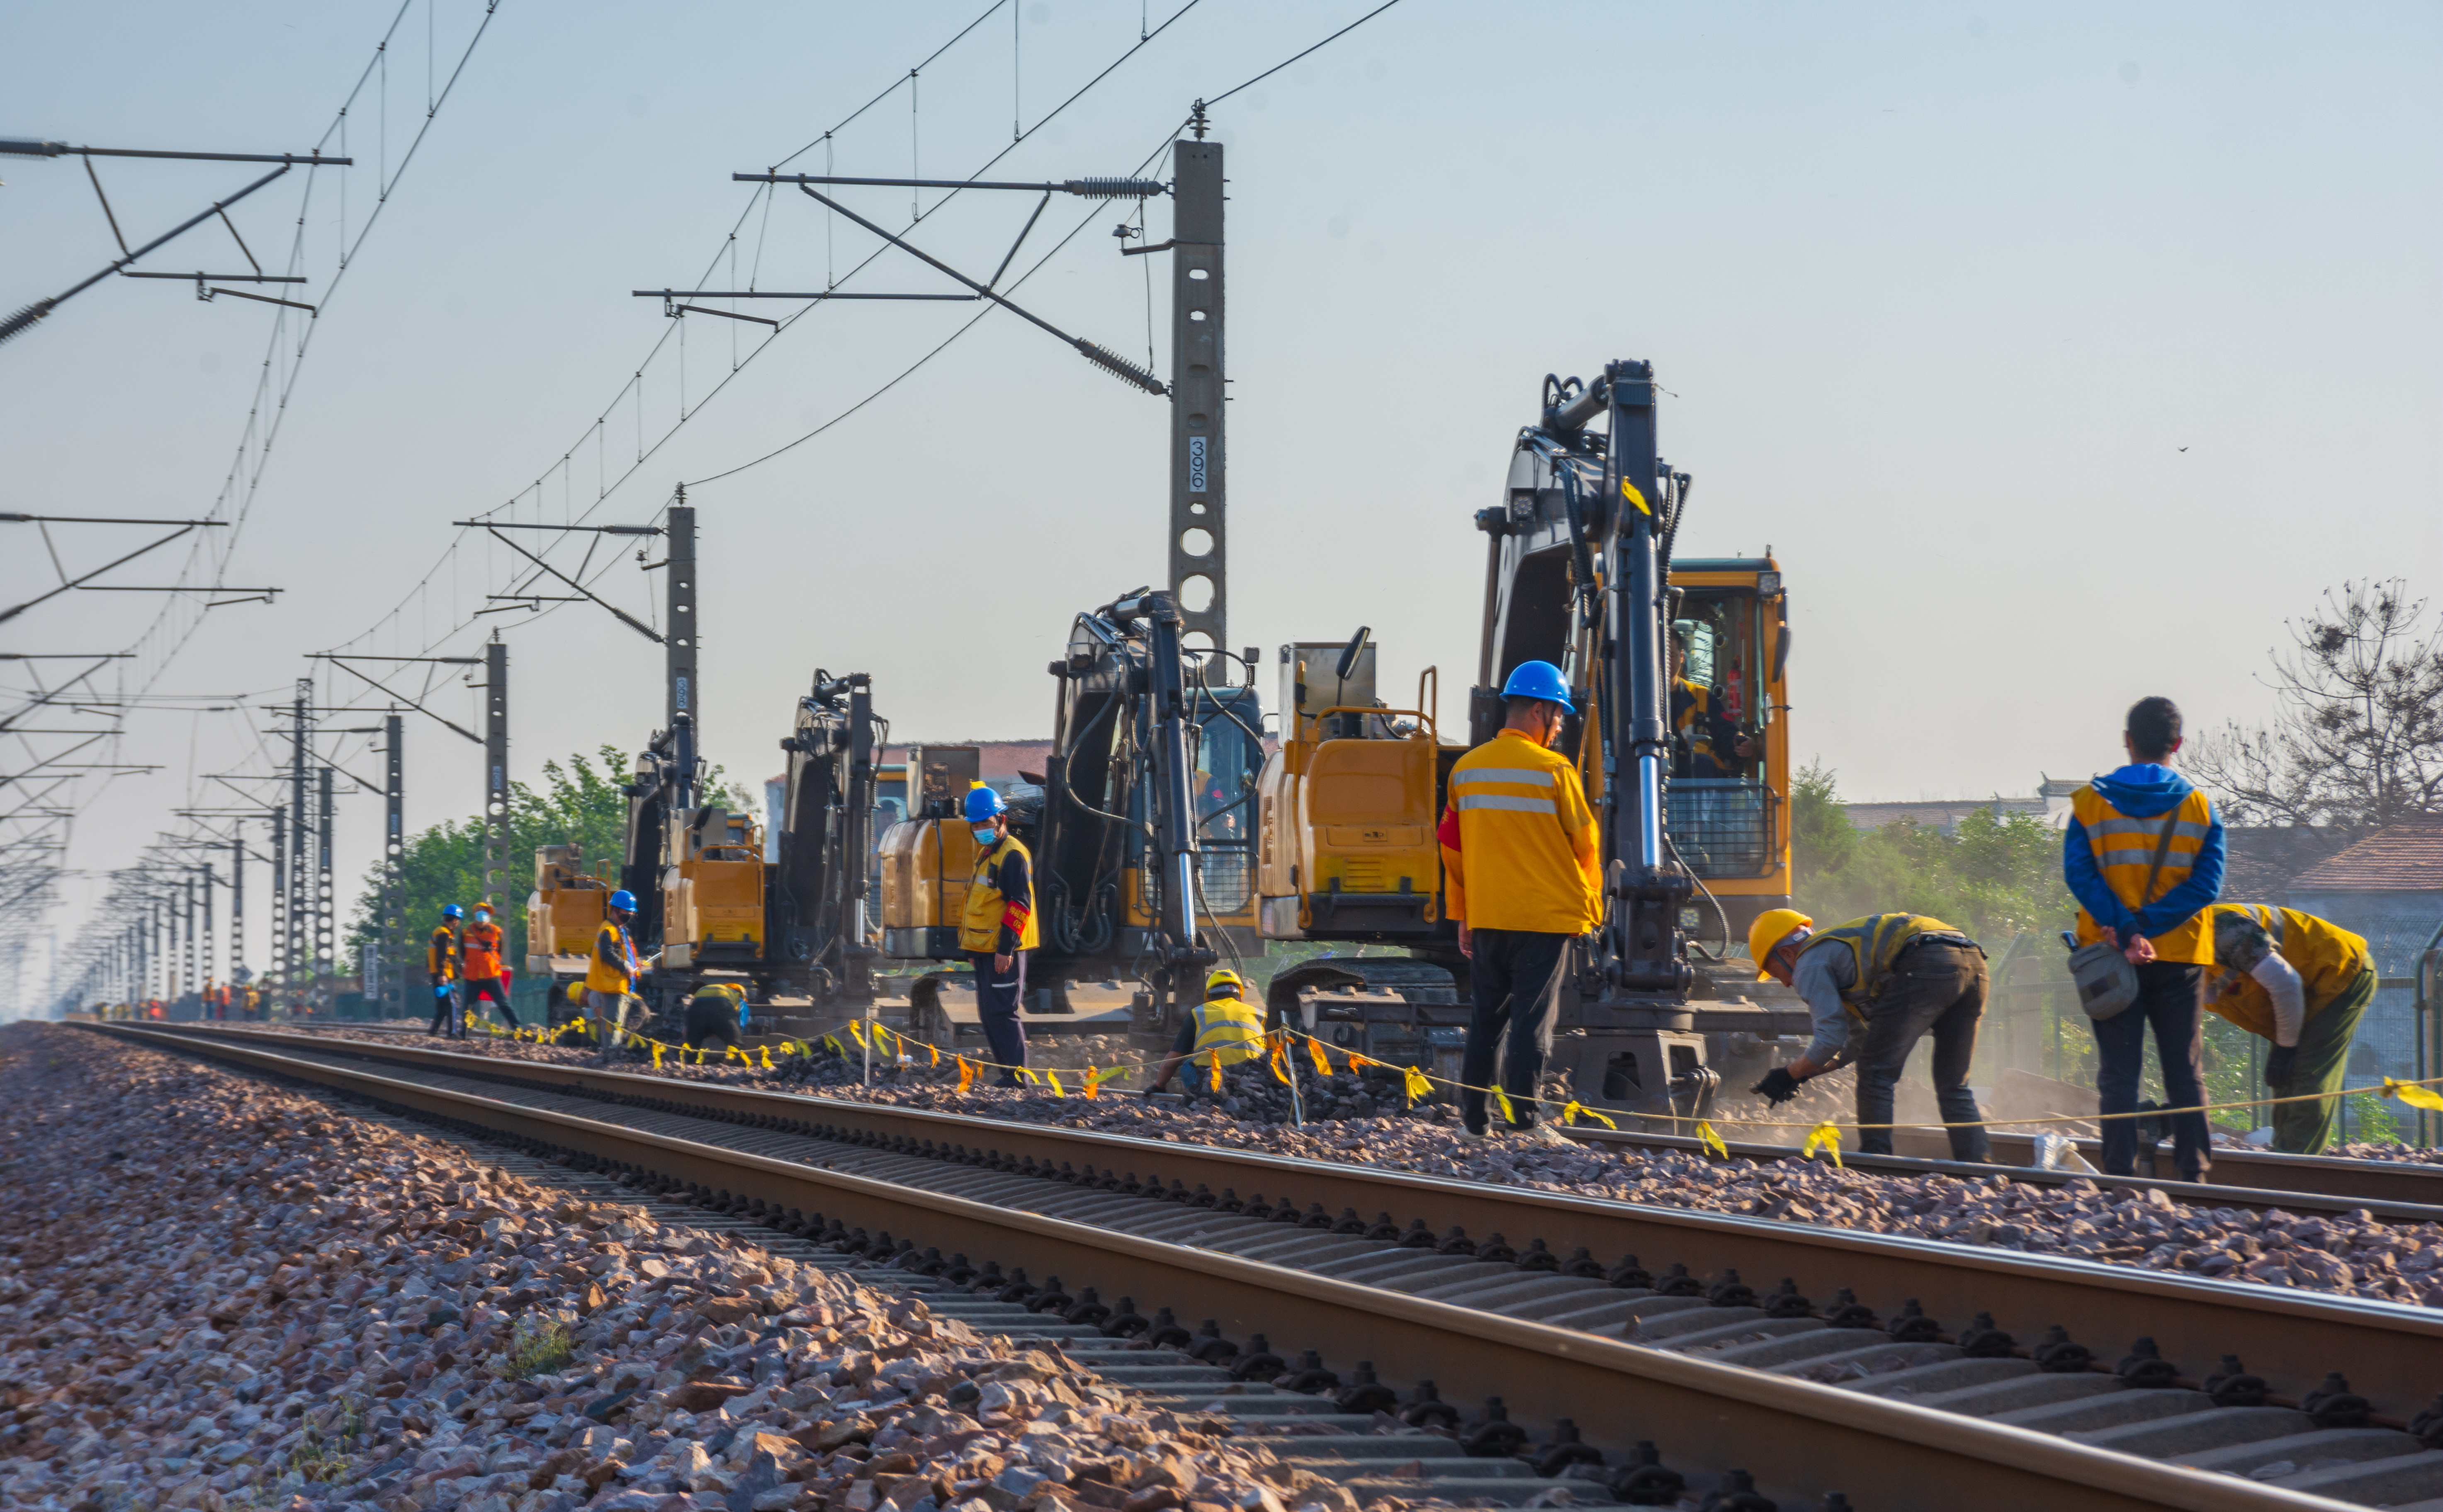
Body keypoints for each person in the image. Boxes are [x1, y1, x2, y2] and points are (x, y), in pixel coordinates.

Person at [1435, 659, 1603, 1141]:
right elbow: (1585, 844)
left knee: (1485, 1020)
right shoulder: (1555, 771)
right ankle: (1525, 1123)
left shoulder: (1465, 772)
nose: (1559, 727)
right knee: (1531, 1022)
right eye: (1558, 717)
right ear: (1538, 710)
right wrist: (1587, 908)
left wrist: (1463, 913)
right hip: (1543, 920)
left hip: (1488, 918)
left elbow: (1451, 850)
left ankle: (1472, 1123)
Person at [2064, 695, 2226, 1181]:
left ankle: (2116, 1175)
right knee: (2184, 1070)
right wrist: (2150, 928)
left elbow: (2079, 874)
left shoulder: (2089, 803)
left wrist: (2128, 931)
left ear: (2126, 741)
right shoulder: (2199, 806)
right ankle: (2193, 1175)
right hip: (2179, 957)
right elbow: (2206, 885)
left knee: (2118, 1071)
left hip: (2109, 956)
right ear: (2176, 744)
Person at [1747, 910, 1993, 1161]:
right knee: (1954, 1086)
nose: (1786, 984)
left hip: (1926, 959)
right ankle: (1978, 1167)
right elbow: (1859, 1041)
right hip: (1973, 963)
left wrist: (1788, 1073)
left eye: (1776, 974)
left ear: (1787, 954)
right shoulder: (1837, 955)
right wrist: (1803, 1074)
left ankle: (1876, 1165)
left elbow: (1830, 1039)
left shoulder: (1809, 963)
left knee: (1876, 1072)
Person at [2203, 903, 2377, 1155]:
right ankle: (2286, 1160)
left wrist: (2285, 1049)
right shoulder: (2169, 958)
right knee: (2286, 1083)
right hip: (2300, 992)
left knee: (2308, 1079)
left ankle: (2295, 1175)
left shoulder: (2223, 929)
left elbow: (2286, 983)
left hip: (2337, 972)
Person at [958, 783, 1037, 1086]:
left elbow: (1020, 905)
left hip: (1003, 950)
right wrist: (974, 949)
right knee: (989, 1013)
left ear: (1001, 820)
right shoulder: (989, 852)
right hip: (985, 948)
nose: (980, 829)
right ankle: (1008, 1075)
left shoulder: (1012, 855)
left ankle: (1018, 1079)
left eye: (985, 823)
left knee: (1003, 1012)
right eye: (975, 824)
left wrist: (1006, 949)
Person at [1143, 969, 1266, 1094]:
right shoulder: (1260, 1015)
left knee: (1188, 1065)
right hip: (1252, 1081)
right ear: (1240, 996)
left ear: (1208, 997)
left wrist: (1159, 1086)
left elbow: (1172, 1061)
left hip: (1211, 1082)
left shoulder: (1198, 1013)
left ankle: (1200, 1096)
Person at [584, 890, 644, 1040]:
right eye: (627, 911)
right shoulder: (609, 930)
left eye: (632, 912)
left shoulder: (620, 930)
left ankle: (611, 1057)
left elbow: (621, 952)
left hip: (620, 986)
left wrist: (634, 964)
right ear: (616, 909)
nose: (630, 915)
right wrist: (626, 966)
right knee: (612, 1029)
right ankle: (608, 1059)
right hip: (612, 987)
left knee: (617, 1027)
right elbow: (607, 954)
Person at [459, 902, 521, 1032]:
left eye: (485, 911)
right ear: (474, 914)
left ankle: (518, 1030)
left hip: (491, 975)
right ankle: (465, 1032)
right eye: (479, 911)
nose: (482, 914)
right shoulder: (466, 933)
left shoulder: (496, 932)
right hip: (472, 976)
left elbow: (499, 952)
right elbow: (462, 952)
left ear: (489, 916)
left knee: (503, 1004)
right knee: (468, 1007)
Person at [426, 903, 464, 1038]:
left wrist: (430, 968)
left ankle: (433, 1031)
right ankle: (452, 1033)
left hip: (439, 974)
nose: (458, 923)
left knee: (443, 1005)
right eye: (458, 920)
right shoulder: (444, 934)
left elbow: (432, 952)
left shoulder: (438, 932)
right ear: (455, 920)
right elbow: (442, 955)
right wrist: (442, 974)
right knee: (454, 1002)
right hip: (443, 976)